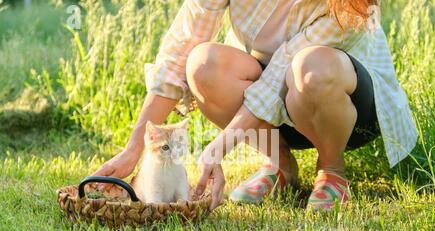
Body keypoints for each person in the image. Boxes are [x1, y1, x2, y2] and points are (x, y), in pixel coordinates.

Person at [94, 0, 417, 211]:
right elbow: (182, 47)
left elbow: (284, 72)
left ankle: (332, 170)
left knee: (309, 68)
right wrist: (134, 148)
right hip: (276, 104)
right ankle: (279, 165)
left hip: (347, 108)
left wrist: (219, 147)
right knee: (203, 64)